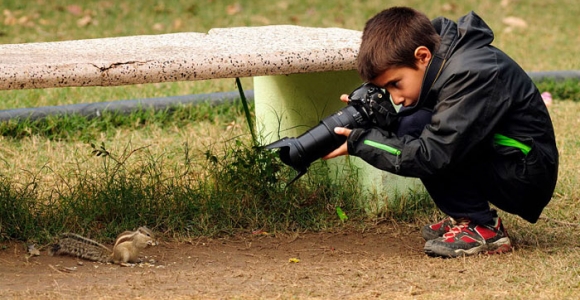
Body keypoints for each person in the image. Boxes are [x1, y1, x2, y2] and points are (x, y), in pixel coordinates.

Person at [324, 6, 559, 258]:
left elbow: (433, 153)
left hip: (525, 172)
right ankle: (466, 216)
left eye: (395, 84)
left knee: (420, 135)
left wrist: (363, 142)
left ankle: (482, 227)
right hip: (507, 157)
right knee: (410, 124)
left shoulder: (471, 71)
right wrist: (381, 120)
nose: (396, 97)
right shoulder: (447, 59)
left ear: (422, 55)